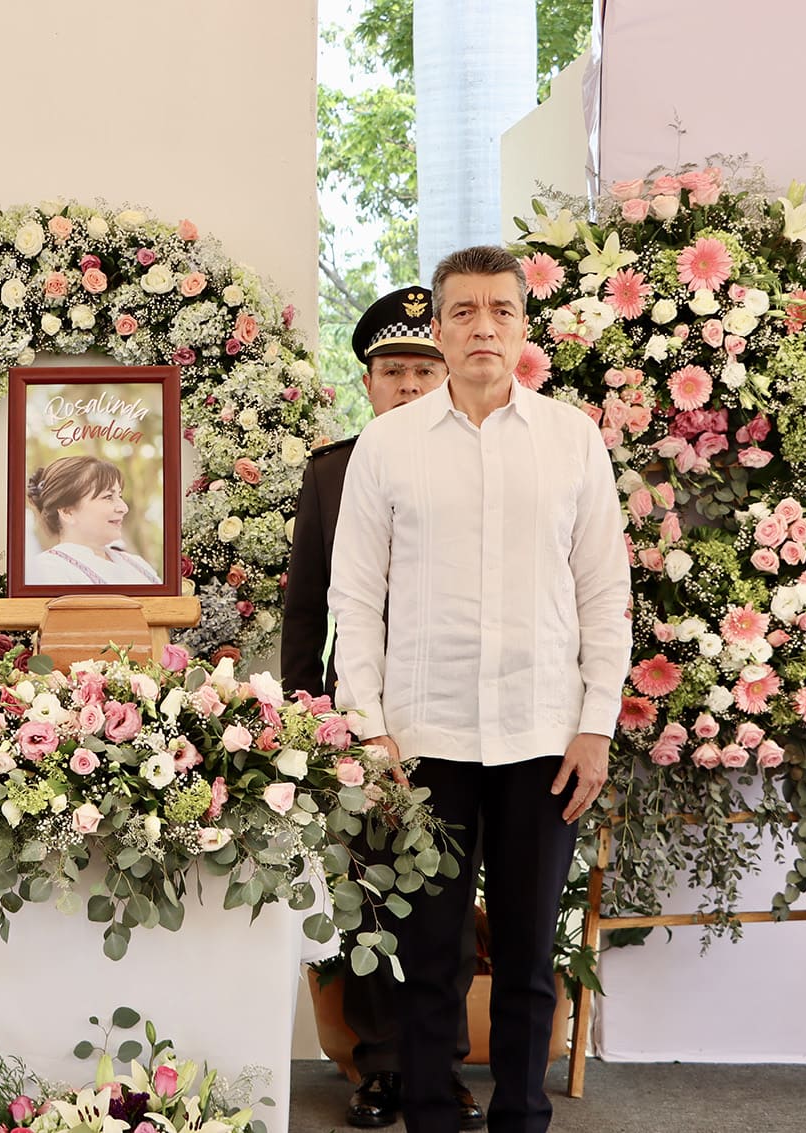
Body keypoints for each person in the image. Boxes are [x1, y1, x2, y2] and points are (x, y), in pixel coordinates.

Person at [328, 245, 630, 1133]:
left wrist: (597, 725)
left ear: (523, 327)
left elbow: (603, 592)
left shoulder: (573, 439)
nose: (483, 326)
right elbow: (356, 595)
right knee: (429, 953)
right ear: (439, 327)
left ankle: (522, 1118)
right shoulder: (385, 447)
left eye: (501, 309)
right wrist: (368, 730)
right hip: (425, 739)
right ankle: (427, 1112)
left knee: (534, 952)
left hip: (544, 733)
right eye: (464, 312)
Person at [281, 287, 483, 1130]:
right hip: (364, 715)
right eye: (391, 371)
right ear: (366, 382)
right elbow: (309, 605)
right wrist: (305, 713)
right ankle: (378, 1063)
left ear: (444, 374)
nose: (406, 384)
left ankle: (442, 1066)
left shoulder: (479, 460)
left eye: (420, 369)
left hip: (460, 708)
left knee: (452, 889)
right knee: (372, 889)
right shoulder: (333, 469)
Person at [24, 455, 160, 586]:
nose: (123, 508)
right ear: (67, 512)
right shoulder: (47, 570)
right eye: (108, 497)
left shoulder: (137, 564)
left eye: (120, 495)